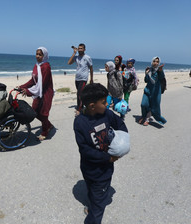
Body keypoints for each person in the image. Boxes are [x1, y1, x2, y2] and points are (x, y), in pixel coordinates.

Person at [74, 83, 128, 224]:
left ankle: (93, 207)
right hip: (89, 167)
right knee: (95, 196)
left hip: (104, 171)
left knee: (98, 201)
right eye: (104, 102)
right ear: (92, 106)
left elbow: (121, 125)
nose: (107, 105)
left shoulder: (107, 114)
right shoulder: (79, 122)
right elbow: (85, 150)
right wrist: (108, 158)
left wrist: (122, 142)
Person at [19, 47, 54, 141]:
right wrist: (22, 86)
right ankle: (48, 125)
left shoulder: (46, 67)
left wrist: (29, 91)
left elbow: (42, 84)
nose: (37, 56)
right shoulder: (37, 65)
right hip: (38, 92)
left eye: (40, 54)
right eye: (37, 54)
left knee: (44, 113)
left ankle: (45, 132)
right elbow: (33, 80)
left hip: (46, 93)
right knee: (34, 112)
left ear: (44, 56)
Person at [138, 56, 167, 126]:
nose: (155, 63)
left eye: (157, 61)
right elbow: (146, 80)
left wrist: (160, 70)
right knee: (143, 104)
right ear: (152, 62)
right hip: (147, 90)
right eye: (154, 61)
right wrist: (146, 73)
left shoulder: (159, 71)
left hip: (156, 92)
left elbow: (161, 77)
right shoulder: (149, 70)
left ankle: (147, 119)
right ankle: (143, 115)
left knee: (153, 106)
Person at [68, 43, 93, 116]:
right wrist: (74, 53)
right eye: (79, 48)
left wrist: (91, 79)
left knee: (80, 94)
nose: (79, 50)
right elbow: (69, 63)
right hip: (77, 78)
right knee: (79, 94)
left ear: (84, 49)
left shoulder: (87, 57)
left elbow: (91, 68)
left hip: (84, 78)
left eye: (81, 48)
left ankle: (79, 110)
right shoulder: (76, 57)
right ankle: (84, 106)